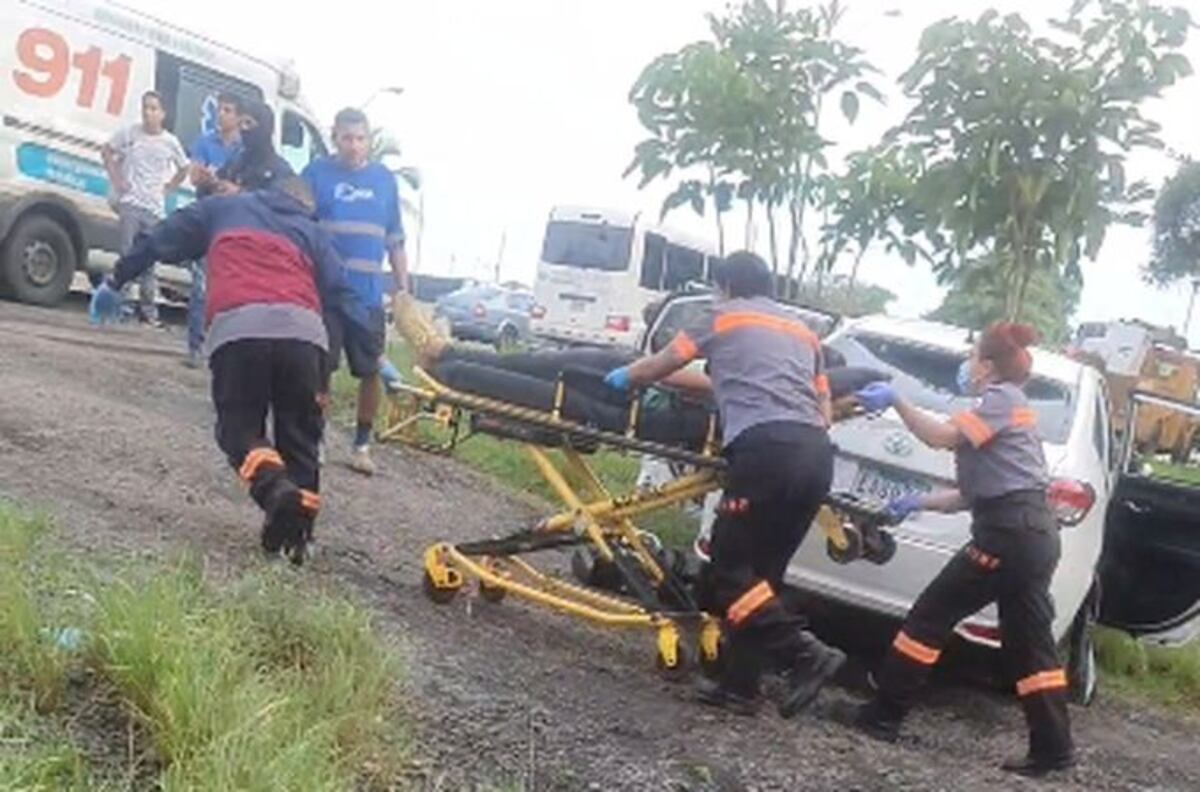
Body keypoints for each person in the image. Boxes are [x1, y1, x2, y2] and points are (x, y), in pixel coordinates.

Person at [601, 251, 846, 717]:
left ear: (727, 285)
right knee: (762, 579)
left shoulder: (723, 317)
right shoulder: (803, 332)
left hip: (765, 453)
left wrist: (625, 376)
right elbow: (825, 409)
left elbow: (665, 362)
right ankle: (741, 688)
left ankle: (806, 654)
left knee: (728, 573)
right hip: (816, 456)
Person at [88, 178, 378, 564]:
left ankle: (275, 491)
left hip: (240, 329)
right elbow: (344, 296)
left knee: (239, 431)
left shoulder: (223, 208)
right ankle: (297, 541)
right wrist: (372, 353)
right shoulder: (313, 233)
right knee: (301, 439)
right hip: (303, 334)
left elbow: (159, 237)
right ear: (305, 207)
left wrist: (116, 279)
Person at [851, 323, 1075, 778]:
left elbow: (939, 437)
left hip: (1006, 537)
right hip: (1031, 535)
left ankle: (883, 715)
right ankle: (1053, 749)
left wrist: (897, 400)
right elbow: (973, 495)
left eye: (973, 356)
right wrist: (916, 502)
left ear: (987, 366)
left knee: (930, 617)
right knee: (1030, 646)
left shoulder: (1000, 400)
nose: (967, 364)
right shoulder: (1009, 406)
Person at [303, 107, 408, 476]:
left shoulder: (384, 181)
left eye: (360, 139)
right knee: (321, 369)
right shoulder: (316, 174)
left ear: (368, 141)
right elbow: (299, 225)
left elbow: (395, 240)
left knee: (370, 370)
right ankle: (316, 438)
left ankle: (362, 445)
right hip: (326, 293)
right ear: (335, 138)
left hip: (367, 297)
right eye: (347, 138)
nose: (353, 146)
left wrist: (403, 288)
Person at [102, 90, 189, 327]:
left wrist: (169, 187)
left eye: (153, 108)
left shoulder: (170, 142)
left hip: (154, 209)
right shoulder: (130, 133)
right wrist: (117, 179)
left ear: (163, 113)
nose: (148, 113)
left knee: (149, 262)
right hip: (131, 204)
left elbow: (184, 168)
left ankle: (148, 311)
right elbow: (107, 150)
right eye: (145, 108)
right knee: (127, 257)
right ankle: (120, 306)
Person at [184, 92, 244, 368]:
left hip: (234, 224)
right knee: (200, 286)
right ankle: (195, 346)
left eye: (228, 110)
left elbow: (247, 187)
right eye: (220, 109)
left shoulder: (245, 150)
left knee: (230, 288)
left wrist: (225, 184)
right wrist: (215, 181)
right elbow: (195, 176)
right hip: (206, 221)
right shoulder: (205, 142)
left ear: (239, 117)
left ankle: (221, 346)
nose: (221, 115)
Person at [214, 100, 294, 194]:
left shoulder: (280, 170)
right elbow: (215, 186)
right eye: (240, 123)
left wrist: (239, 192)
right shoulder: (235, 162)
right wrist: (208, 181)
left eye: (248, 123)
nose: (243, 128)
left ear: (264, 127)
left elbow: (276, 200)